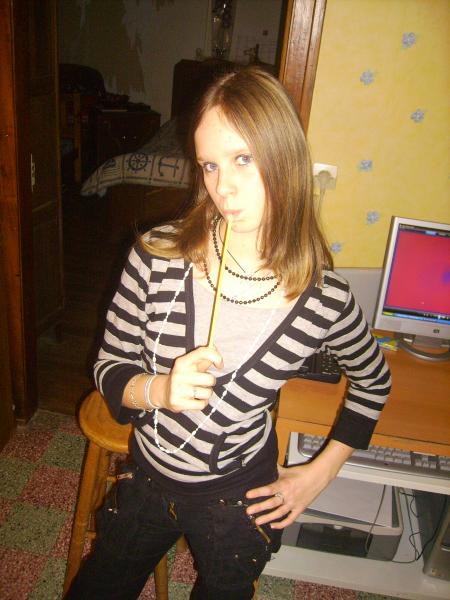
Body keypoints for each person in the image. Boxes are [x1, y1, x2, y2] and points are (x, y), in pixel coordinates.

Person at [66, 67, 391, 600]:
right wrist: (159, 390)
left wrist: (318, 474)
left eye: (243, 159)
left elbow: (374, 383)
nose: (223, 187)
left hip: (240, 496)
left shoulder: (324, 298)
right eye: (210, 165)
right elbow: (109, 366)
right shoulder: (157, 255)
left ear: (285, 158)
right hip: (148, 477)